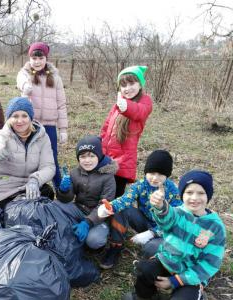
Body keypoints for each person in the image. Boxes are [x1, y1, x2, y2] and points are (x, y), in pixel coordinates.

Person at [122, 170, 226, 300]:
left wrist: (176, 281)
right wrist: (160, 205)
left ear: (208, 196)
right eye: (189, 192)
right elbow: (165, 219)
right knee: (144, 269)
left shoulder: (215, 227)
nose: (194, 198)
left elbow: (210, 263)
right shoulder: (178, 213)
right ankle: (144, 295)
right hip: (168, 261)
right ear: (182, 194)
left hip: (190, 274)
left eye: (201, 193)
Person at [97, 150, 182, 269]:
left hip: (165, 230)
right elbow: (125, 200)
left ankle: (155, 260)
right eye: (151, 173)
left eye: (160, 174)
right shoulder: (140, 185)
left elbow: (176, 220)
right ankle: (116, 245)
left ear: (167, 175)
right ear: (146, 171)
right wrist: (110, 206)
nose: (154, 178)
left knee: (150, 248)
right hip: (145, 221)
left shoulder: (172, 190)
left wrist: (152, 233)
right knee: (122, 209)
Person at [16, 41, 68, 189]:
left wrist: (63, 129)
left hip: (50, 126)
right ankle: (30, 189)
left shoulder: (55, 77)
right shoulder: (25, 73)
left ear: (46, 59)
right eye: (34, 58)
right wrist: (25, 87)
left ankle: (60, 190)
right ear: (29, 59)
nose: (37, 62)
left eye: (41, 58)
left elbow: (61, 104)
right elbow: (20, 80)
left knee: (51, 159)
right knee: (30, 159)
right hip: (31, 125)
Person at [0, 97, 55, 209]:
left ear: (31, 118)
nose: (20, 121)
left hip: (31, 186)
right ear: (9, 118)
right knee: (14, 212)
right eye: (15, 116)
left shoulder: (42, 137)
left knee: (47, 194)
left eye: (24, 116)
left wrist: (35, 180)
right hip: (5, 190)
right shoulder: (3, 134)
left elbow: (49, 167)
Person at [56, 135, 118, 250]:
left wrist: (87, 222)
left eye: (91, 156)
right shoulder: (75, 172)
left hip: (99, 216)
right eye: (83, 157)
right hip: (79, 208)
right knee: (55, 206)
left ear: (99, 156)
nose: (87, 160)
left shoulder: (108, 177)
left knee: (94, 241)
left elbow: (105, 206)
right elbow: (67, 199)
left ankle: (102, 233)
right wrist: (63, 191)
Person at [100, 65, 153, 197]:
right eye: (123, 85)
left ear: (140, 85)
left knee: (115, 197)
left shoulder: (145, 101)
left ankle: (115, 218)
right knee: (102, 193)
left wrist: (126, 106)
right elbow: (107, 126)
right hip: (108, 158)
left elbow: (139, 112)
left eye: (131, 83)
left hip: (123, 162)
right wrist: (99, 144)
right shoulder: (118, 103)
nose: (127, 88)